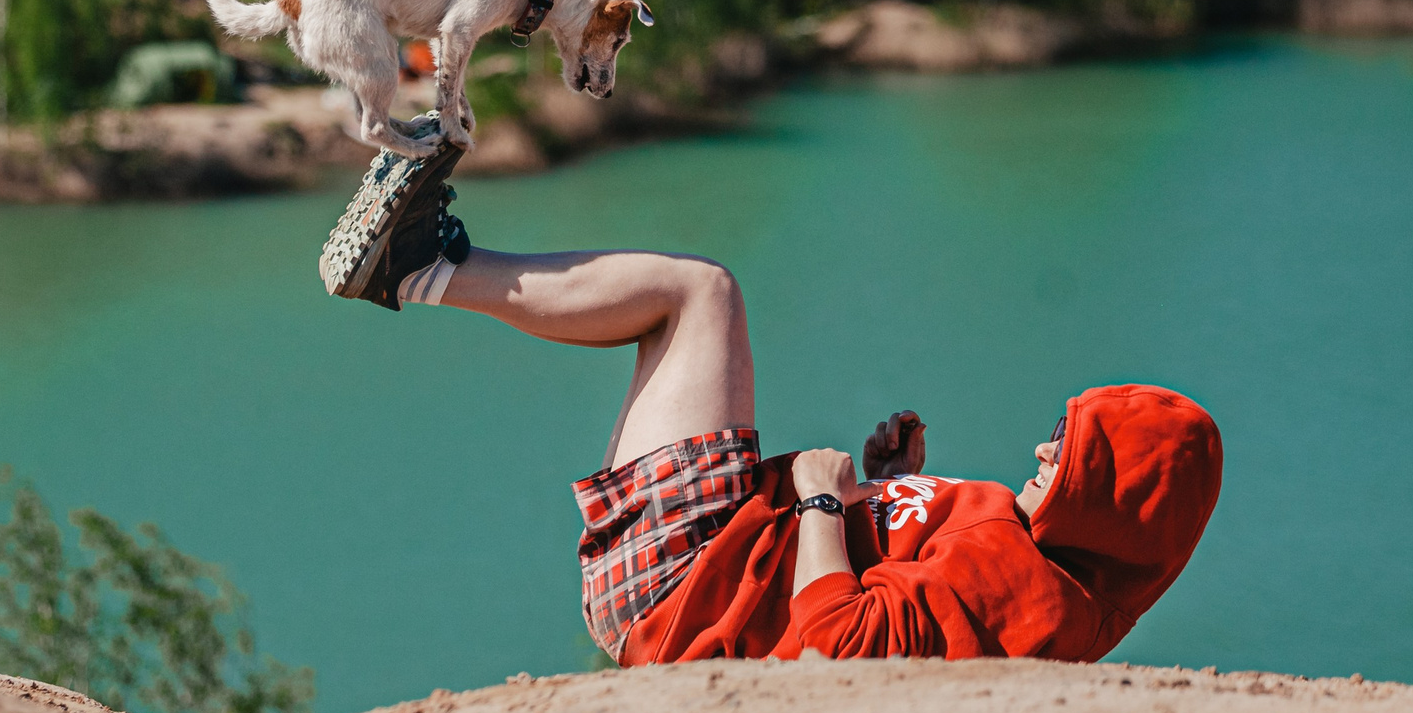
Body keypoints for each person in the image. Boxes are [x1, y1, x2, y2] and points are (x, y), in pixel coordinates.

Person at [318, 118, 1224, 665]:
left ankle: (421, 265)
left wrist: (824, 500)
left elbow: (841, 646)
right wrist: (890, 486)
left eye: (1073, 447)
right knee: (689, 301)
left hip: (697, 585)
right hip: (717, 565)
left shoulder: (1033, 586)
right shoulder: (1034, 562)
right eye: (1060, 428)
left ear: (1114, 497)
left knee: (698, 294)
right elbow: (911, 609)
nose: (1044, 446)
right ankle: (424, 266)